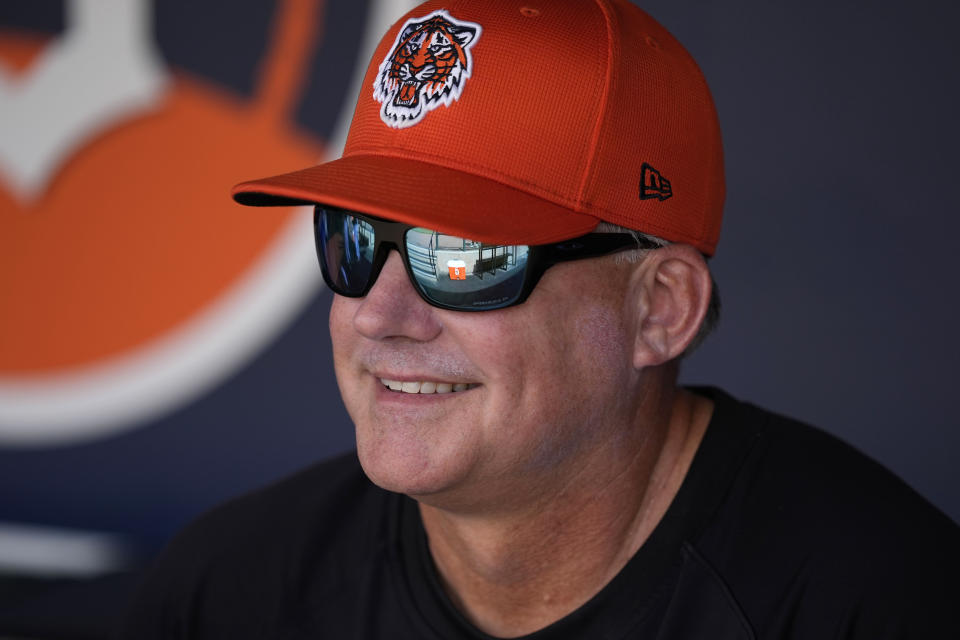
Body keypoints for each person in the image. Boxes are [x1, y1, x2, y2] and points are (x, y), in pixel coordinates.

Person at [122, 0, 960, 637]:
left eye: (465, 254)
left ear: (660, 310)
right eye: (353, 239)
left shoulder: (876, 599)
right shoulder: (233, 589)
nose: (378, 313)